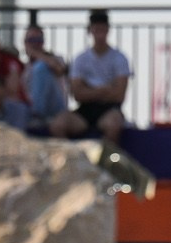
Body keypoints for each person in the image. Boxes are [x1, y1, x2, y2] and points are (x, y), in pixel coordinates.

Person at [52, 9, 129, 144]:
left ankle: (105, 162)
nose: (99, 35)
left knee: (113, 125)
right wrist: (104, 90)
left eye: (102, 30)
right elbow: (77, 94)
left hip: (110, 109)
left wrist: (88, 90)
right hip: (85, 110)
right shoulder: (80, 59)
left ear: (108, 31)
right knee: (58, 124)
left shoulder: (119, 58)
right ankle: (71, 162)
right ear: (90, 31)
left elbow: (119, 95)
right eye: (96, 30)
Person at [22, 24, 71, 131]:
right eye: (31, 40)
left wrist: (37, 54)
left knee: (41, 67)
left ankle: (37, 115)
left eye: (38, 40)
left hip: (56, 109)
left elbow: (60, 69)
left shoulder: (55, 59)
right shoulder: (24, 68)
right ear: (25, 43)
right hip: (29, 107)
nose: (35, 43)